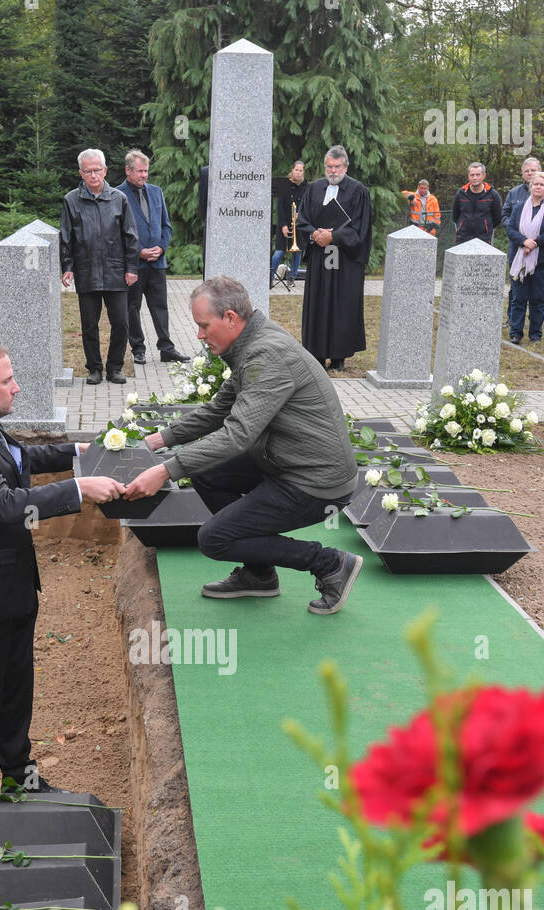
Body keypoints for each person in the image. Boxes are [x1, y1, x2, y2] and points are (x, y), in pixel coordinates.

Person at [0, 340, 125, 791]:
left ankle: (20, 776)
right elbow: (3, 503)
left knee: (16, 686)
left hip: (12, 584)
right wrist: (79, 489)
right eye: (8, 381)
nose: (17, 388)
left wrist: (81, 449)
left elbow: (22, 460)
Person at [124, 276, 362, 615]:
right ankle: (259, 573)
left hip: (316, 482)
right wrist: (155, 441)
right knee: (207, 473)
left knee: (214, 538)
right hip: (286, 461)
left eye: (204, 326)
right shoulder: (253, 344)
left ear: (231, 318)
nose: (199, 335)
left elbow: (237, 435)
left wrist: (165, 470)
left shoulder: (267, 355)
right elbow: (218, 409)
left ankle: (328, 563)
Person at [60, 148, 139, 385]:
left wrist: (132, 268)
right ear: (81, 173)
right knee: (89, 325)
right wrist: (67, 266)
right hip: (86, 271)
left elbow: (131, 236)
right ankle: (94, 368)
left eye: (97, 170)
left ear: (105, 171)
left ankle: (115, 368)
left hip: (116, 271)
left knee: (121, 323)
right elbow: (66, 237)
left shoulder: (119, 199)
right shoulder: (71, 200)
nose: (93, 175)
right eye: (88, 171)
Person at [296, 145, 372, 372]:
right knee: (319, 300)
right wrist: (316, 234)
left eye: (337, 166)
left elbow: (361, 227)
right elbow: (302, 220)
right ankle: (317, 354)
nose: (333, 171)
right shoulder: (315, 188)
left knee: (341, 303)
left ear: (346, 167)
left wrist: (334, 236)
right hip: (321, 255)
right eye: (329, 166)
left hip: (344, 258)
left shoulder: (358, 191)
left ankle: (338, 357)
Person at [117, 149, 189, 366]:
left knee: (160, 306)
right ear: (128, 171)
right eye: (139, 171)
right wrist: (138, 250)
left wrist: (161, 247)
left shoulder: (157, 192)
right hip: (133, 264)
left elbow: (166, 226)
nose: (144, 175)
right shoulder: (117, 195)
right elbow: (115, 232)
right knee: (132, 307)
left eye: (146, 171)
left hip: (157, 263)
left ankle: (166, 348)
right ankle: (138, 349)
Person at [506, 172, 544, 344]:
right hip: (521, 258)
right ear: (531, 187)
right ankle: (516, 332)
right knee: (519, 297)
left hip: (543, 260)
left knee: (538, 298)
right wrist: (524, 241)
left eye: (542, 185)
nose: (538, 187)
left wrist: (535, 243)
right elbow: (510, 229)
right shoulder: (519, 207)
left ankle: (535, 334)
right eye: (536, 184)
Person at [271, 159, 307, 284]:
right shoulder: (285, 185)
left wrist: (300, 215)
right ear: (292, 170)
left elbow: (307, 205)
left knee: (297, 252)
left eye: (300, 170)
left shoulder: (306, 187)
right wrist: (284, 225)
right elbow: (280, 207)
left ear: (303, 172)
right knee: (279, 252)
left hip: (299, 224)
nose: (298, 172)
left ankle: (292, 277)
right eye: (296, 170)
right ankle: (270, 277)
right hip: (285, 224)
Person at [451, 163, 502, 245]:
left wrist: (485, 227)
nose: (475, 178)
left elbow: (497, 218)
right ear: (468, 176)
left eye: (478, 175)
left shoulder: (493, 195)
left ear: (484, 176)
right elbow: (455, 215)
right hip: (462, 239)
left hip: (484, 240)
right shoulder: (460, 193)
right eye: (472, 175)